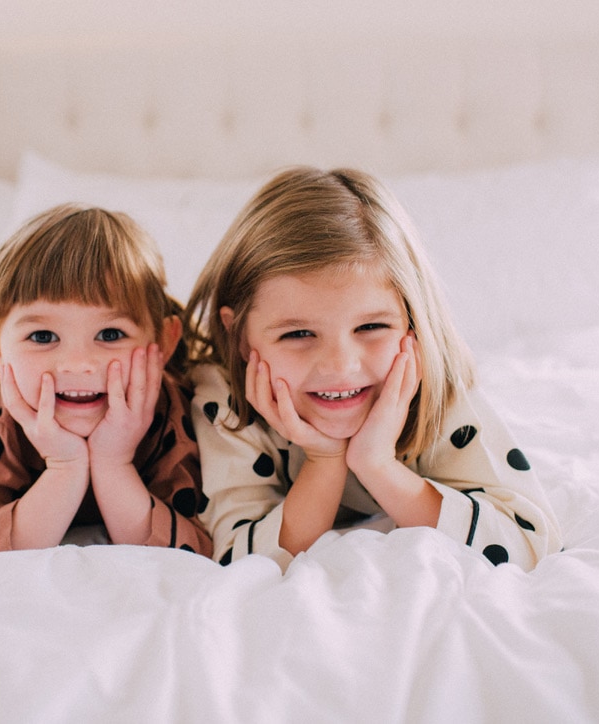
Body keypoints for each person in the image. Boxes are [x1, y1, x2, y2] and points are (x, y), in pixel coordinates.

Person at [184, 167, 560, 572]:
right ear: (240, 336)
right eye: (298, 334)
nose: (341, 365)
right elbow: (236, 559)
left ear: (414, 323)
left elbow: (530, 543)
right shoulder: (225, 398)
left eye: (370, 327)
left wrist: (378, 465)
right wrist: (324, 461)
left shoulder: (431, 383)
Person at [0, 204, 212, 559]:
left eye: (110, 333)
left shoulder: (175, 413)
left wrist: (114, 463)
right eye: (43, 336)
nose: (78, 364)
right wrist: (64, 469)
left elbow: (192, 552)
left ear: (163, 344)